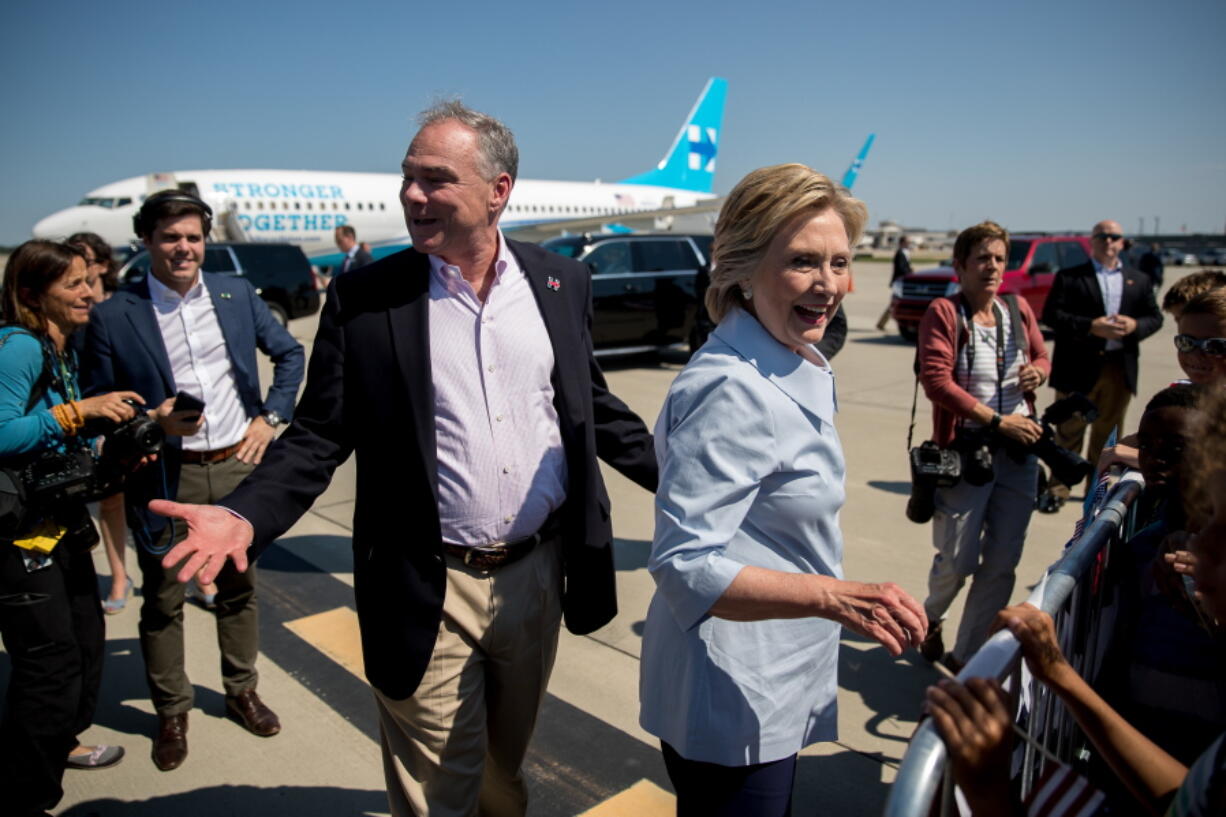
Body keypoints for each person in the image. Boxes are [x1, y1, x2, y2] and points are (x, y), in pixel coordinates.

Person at [143, 101, 657, 816]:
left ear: (498, 190)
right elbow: (319, 435)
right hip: (427, 583)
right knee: (439, 790)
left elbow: (588, 405)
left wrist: (682, 477)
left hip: (536, 577)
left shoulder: (558, 283)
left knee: (502, 773)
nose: (412, 195)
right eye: (408, 177)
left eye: (436, 179)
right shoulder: (366, 299)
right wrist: (243, 514)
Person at [638, 164, 926, 815]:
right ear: (741, 267)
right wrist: (836, 597)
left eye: (839, 262)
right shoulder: (731, 387)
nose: (829, 285)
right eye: (802, 262)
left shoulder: (793, 354)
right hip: (733, 695)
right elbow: (684, 564)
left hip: (773, 673)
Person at [80, 190, 305, 771]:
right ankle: (172, 711)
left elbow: (289, 355)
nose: (184, 248)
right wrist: (150, 420)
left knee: (238, 587)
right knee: (164, 598)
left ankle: (241, 691)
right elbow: (95, 403)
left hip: (235, 466)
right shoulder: (114, 314)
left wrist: (270, 418)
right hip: (165, 476)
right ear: (147, 242)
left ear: (205, 241)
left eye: (193, 237)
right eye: (170, 238)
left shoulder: (234, 294)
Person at [927, 384, 1226, 817]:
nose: (1201, 541)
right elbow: (1180, 796)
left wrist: (990, 795)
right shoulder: (1145, 553)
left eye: (1217, 519)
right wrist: (1060, 676)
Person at [0, 240, 145, 815]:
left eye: (91, 280)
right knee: (49, 667)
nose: (91, 292)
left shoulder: (59, 348)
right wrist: (74, 412)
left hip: (56, 527)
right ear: (34, 295)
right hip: (16, 536)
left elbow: (61, 441)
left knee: (85, 644)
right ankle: (24, 795)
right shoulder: (17, 348)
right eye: (75, 285)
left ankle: (59, 744)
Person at [914, 221, 1051, 671]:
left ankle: (964, 659)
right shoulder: (945, 312)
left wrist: (1038, 372)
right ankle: (930, 619)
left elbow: (1041, 354)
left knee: (1001, 563)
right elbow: (936, 381)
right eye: (982, 259)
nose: (992, 267)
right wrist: (996, 420)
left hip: (1019, 451)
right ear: (960, 266)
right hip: (967, 451)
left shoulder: (1017, 309)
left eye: (999, 258)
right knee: (957, 559)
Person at [1040, 220, 1162, 508]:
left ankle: (1096, 488)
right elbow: (1052, 315)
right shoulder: (1070, 277)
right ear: (1092, 242)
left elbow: (1154, 318)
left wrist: (1135, 325)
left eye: (1114, 236)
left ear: (1122, 242)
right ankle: (1059, 488)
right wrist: (1089, 327)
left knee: (1106, 436)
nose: (1108, 241)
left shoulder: (1139, 279)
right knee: (1068, 431)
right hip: (1077, 367)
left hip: (1118, 368)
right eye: (1102, 236)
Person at [63, 232, 135, 615]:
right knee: (110, 502)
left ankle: (200, 575)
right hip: (93, 420)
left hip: (134, 415)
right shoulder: (71, 313)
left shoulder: (126, 307)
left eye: (83, 258)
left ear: (103, 265)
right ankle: (120, 575)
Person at [876, 234, 912, 331]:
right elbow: (901, 268)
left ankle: (882, 323)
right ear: (902, 242)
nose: (909, 244)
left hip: (903, 282)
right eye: (908, 242)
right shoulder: (900, 253)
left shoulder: (905, 252)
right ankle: (881, 323)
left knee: (894, 304)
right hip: (899, 282)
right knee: (894, 304)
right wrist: (909, 273)